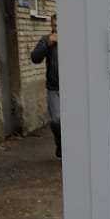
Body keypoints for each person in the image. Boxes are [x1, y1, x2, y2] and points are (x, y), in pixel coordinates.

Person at [31, 14, 61, 158]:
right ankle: (60, 144)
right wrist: (48, 43)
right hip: (54, 88)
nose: (57, 29)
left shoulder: (75, 39)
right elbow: (35, 58)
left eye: (60, 26)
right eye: (54, 26)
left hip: (74, 89)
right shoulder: (46, 40)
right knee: (56, 120)